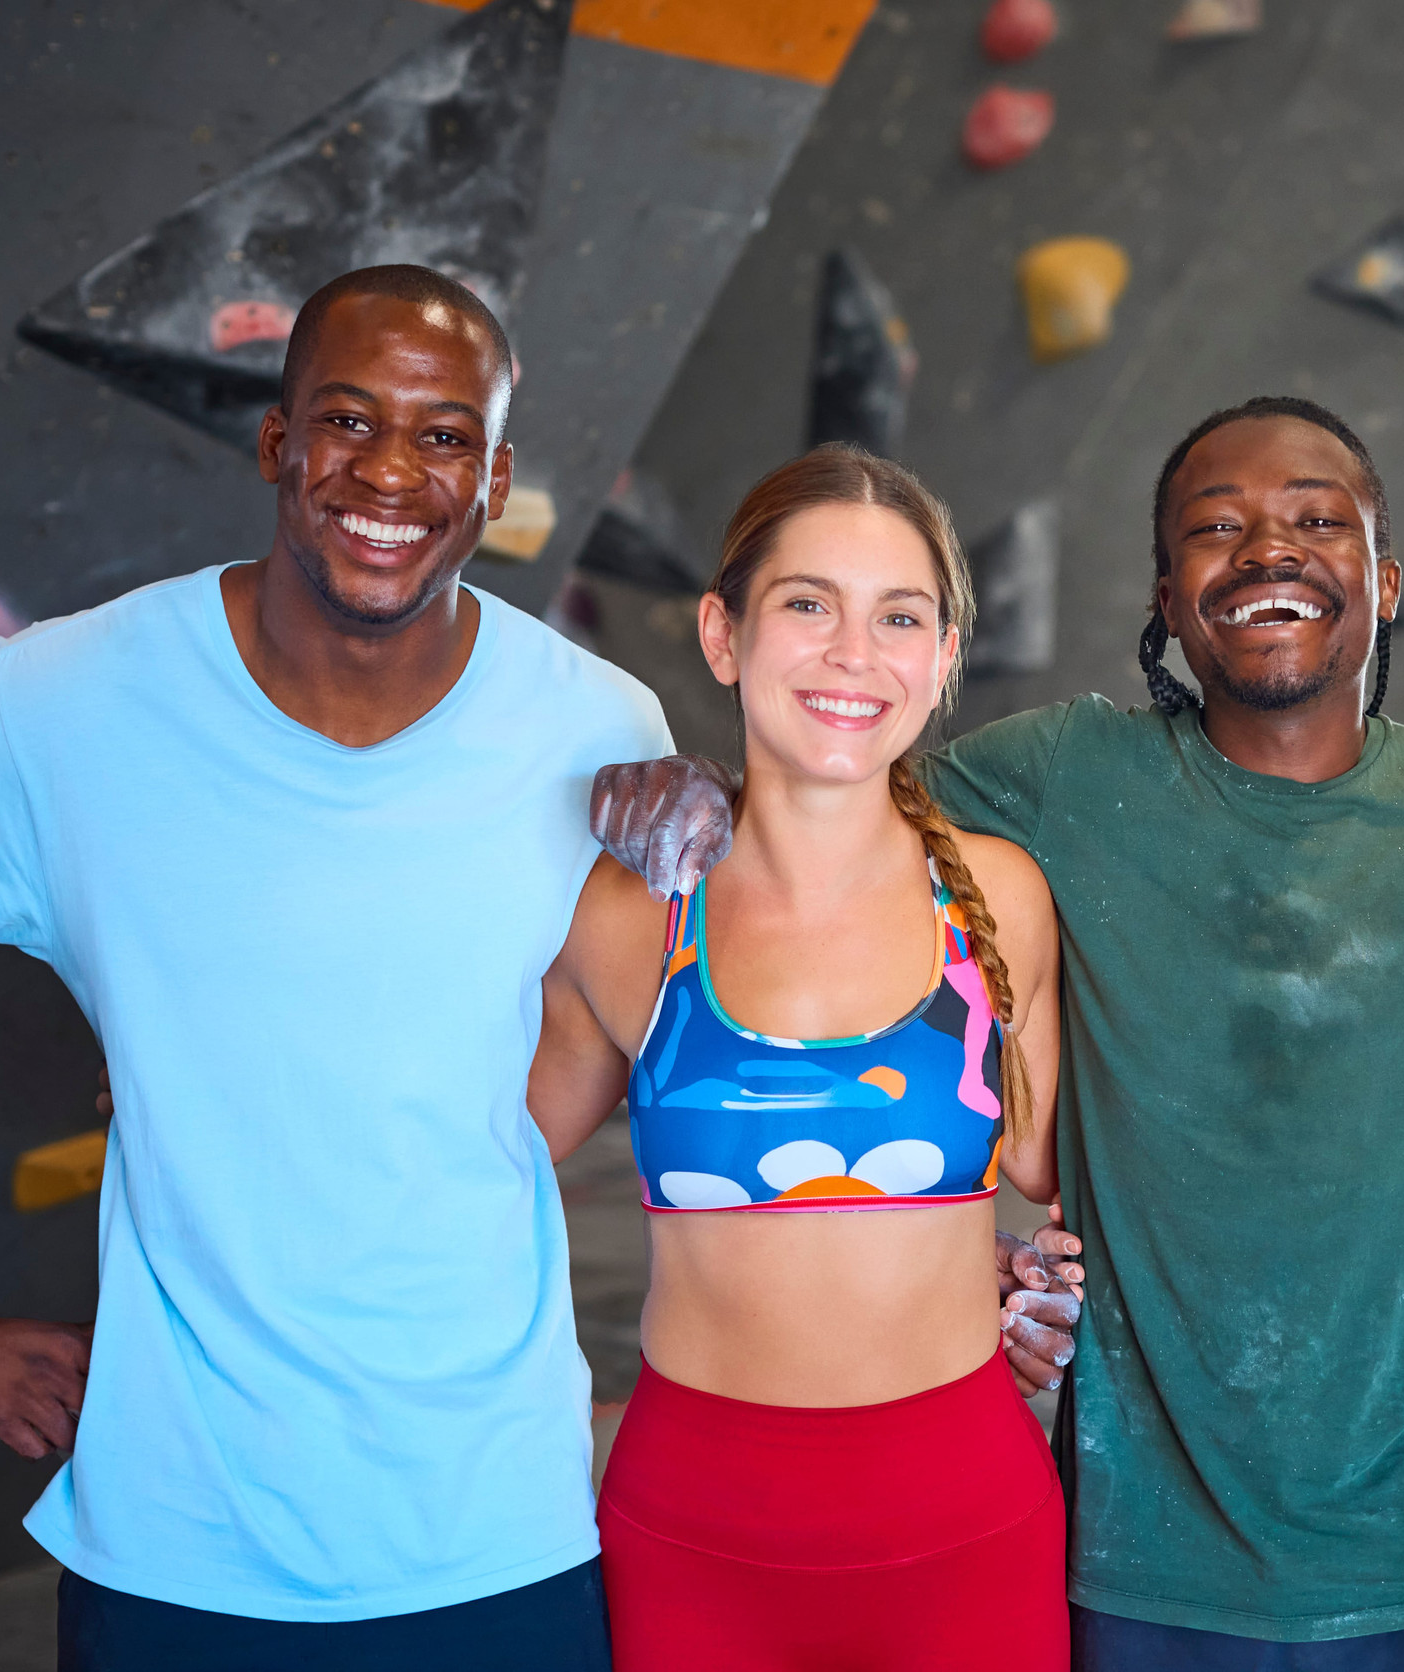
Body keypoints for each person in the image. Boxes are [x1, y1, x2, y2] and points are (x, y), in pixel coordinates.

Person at [0, 267, 1077, 1669]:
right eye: (348, 422)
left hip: (506, 1545)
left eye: (443, 435)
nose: (390, 474)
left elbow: (496, 1112)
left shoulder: (597, 732)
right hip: (181, 1542)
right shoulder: (56, 706)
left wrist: (1023, 1279)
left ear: (496, 475)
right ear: (278, 441)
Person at [596, 397, 1404, 1669]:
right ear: (1165, 589)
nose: (1268, 550)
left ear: (1389, 577)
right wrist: (696, 782)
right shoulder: (1064, 777)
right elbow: (838, 786)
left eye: (1318, 518)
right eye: (1218, 525)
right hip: (1135, 1545)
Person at [526, 445, 1069, 1670]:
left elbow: (1071, 1174)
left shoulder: (1000, 900)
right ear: (723, 635)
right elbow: (469, 1153)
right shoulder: (628, 918)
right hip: (694, 1537)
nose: (852, 653)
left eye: (900, 617)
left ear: (940, 662)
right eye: (807, 604)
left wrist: (1041, 1285)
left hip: (967, 1529)